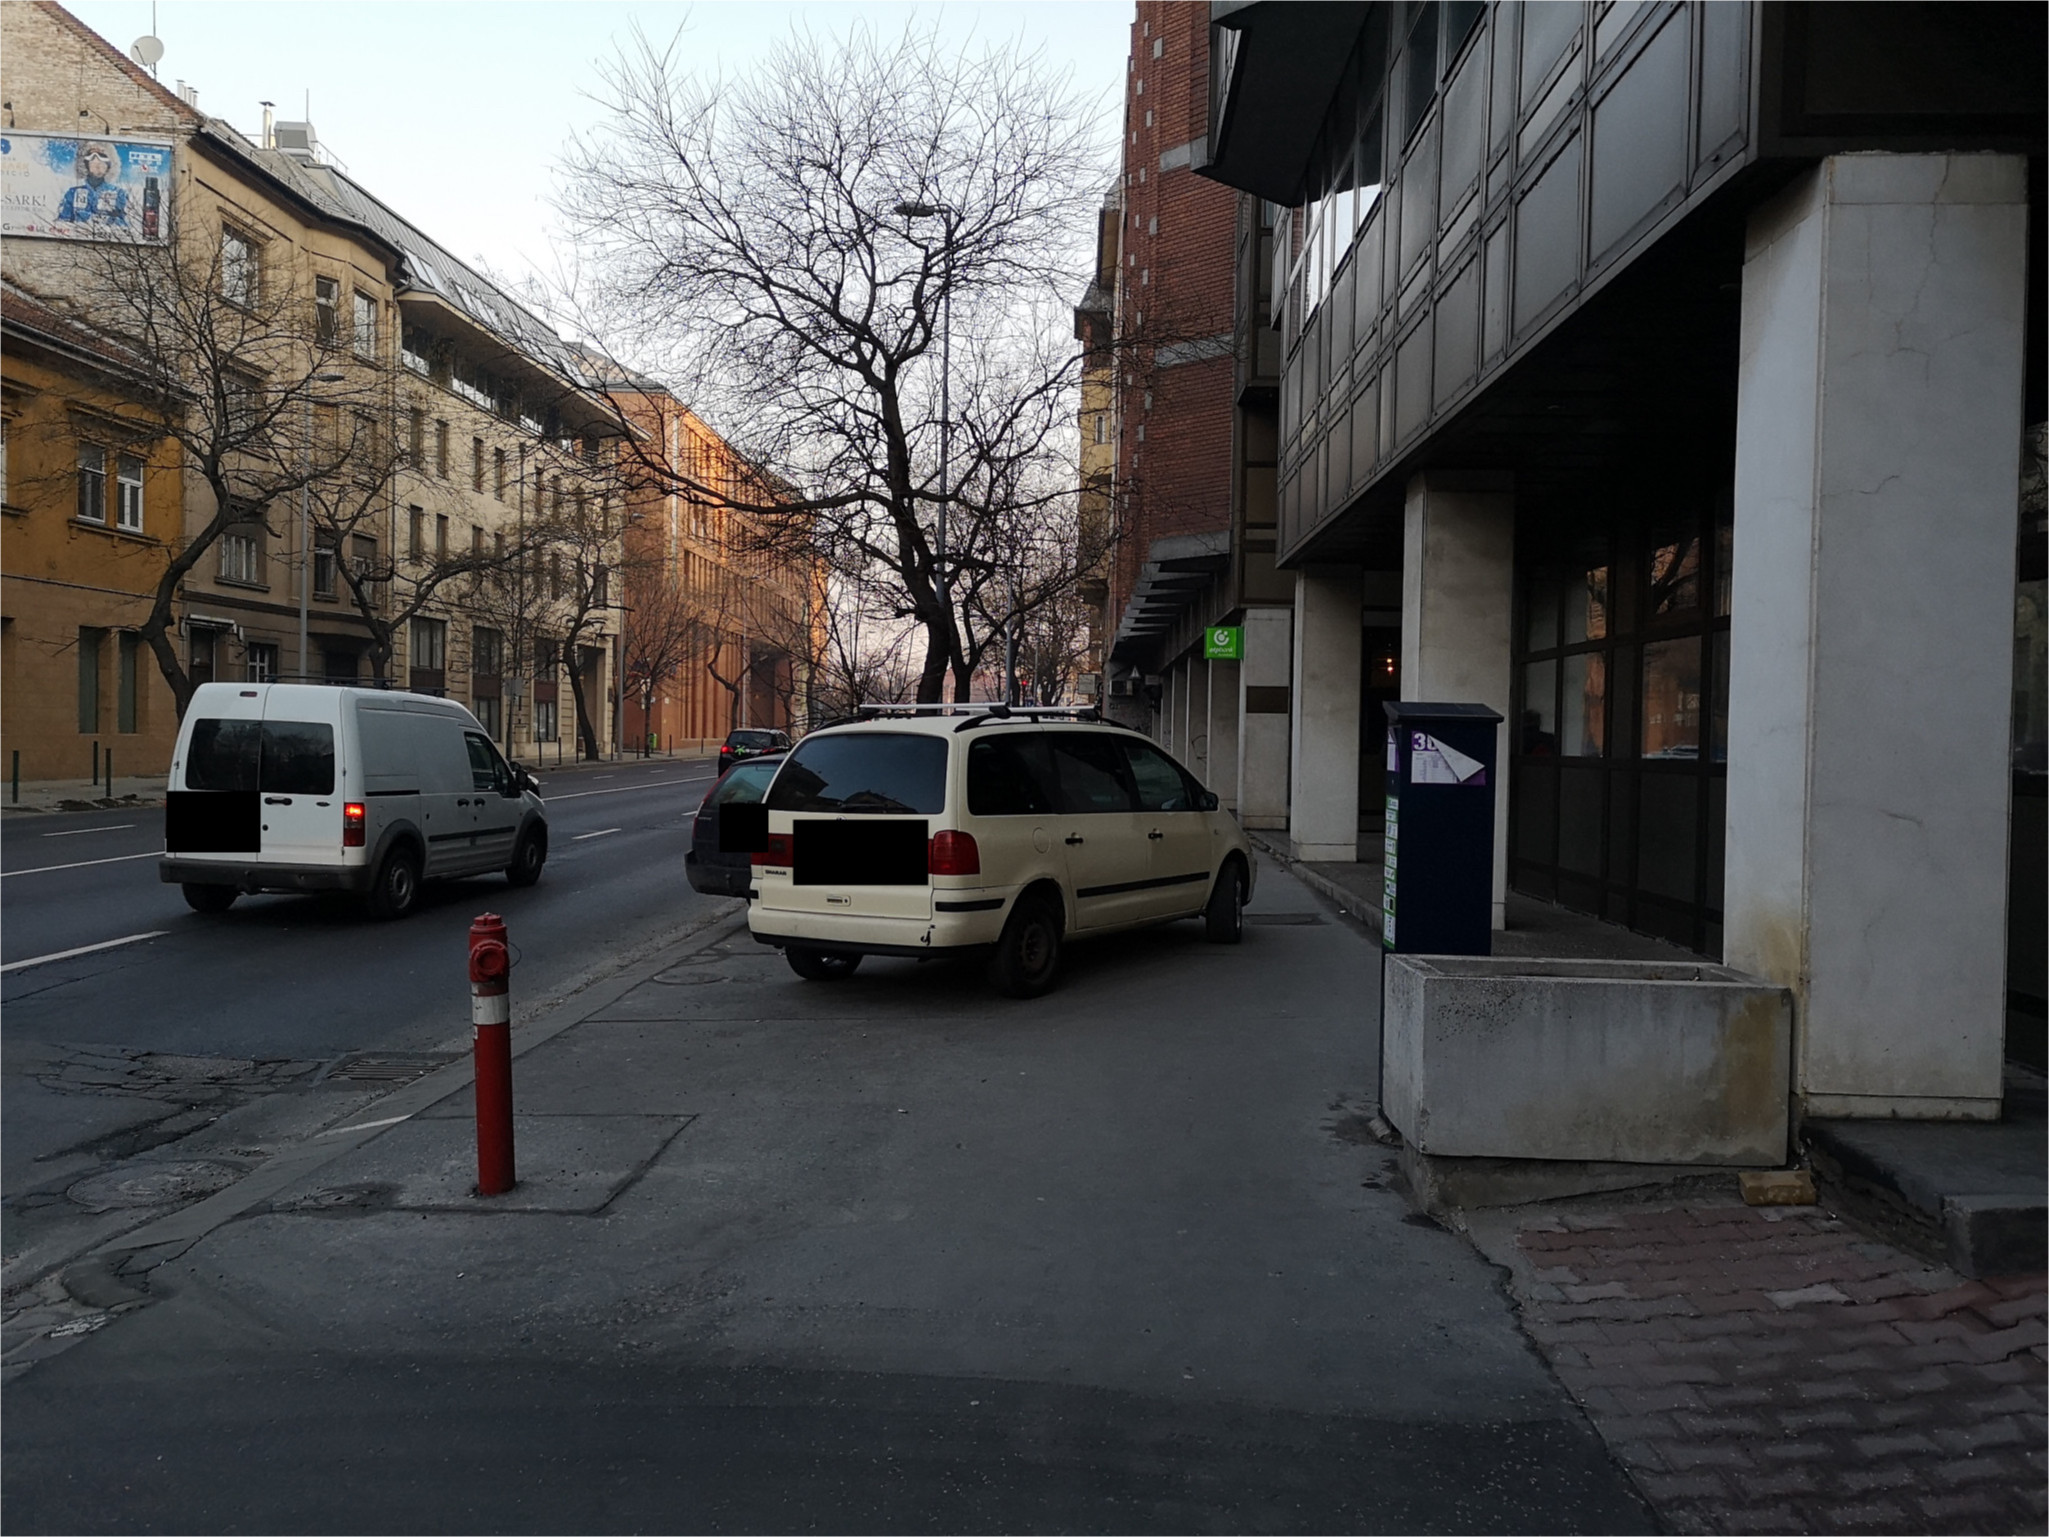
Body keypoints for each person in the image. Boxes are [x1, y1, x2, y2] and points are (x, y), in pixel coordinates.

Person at [55, 142, 128, 228]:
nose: (97, 164)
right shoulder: (73, 193)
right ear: (86, 164)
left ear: (109, 165)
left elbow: (125, 225)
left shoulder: (119, 194)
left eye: (102, 160)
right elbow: (62, 222)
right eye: (92, 160)